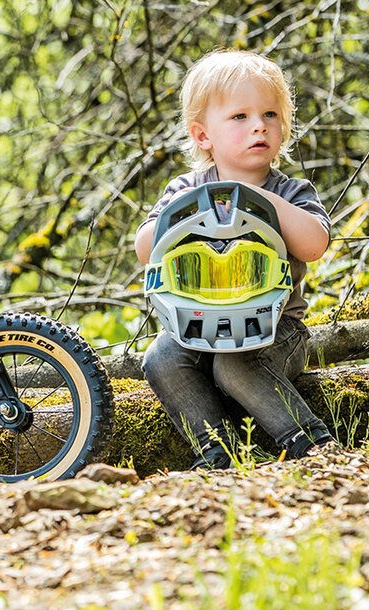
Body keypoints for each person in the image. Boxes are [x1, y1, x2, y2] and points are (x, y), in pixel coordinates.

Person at [134, 49, 336, 470]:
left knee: (233, 365)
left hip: (276, 330)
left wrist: (262, 200)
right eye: (240, 117)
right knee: (160, 359)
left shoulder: (290, 191)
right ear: (203, 135)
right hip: (194, 324)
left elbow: (315, 245)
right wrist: (184, 214)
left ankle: (311, 444)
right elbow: (145, 249)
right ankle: (218, 452)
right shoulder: (186, 188)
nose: (259, 125)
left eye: (270, 115)